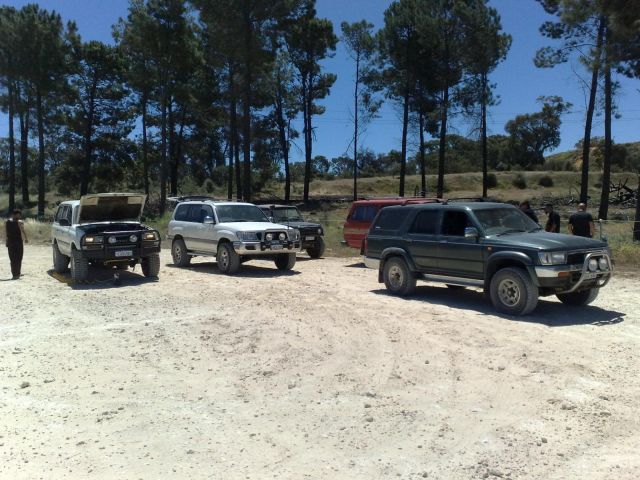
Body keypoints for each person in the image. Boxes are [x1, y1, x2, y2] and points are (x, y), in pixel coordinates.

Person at [5, 209, 29, 280]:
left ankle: (15, 274)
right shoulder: (20, 222)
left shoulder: (7, 222)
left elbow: (6, 232)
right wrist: (26, 238)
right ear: (15, 215)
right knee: (18, 257)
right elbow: (23, 230)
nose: (19, 216)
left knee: (12, 258)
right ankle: (17, 273)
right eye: (19, 215)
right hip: (17, 242)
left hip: (10, 242)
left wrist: (6, 241)